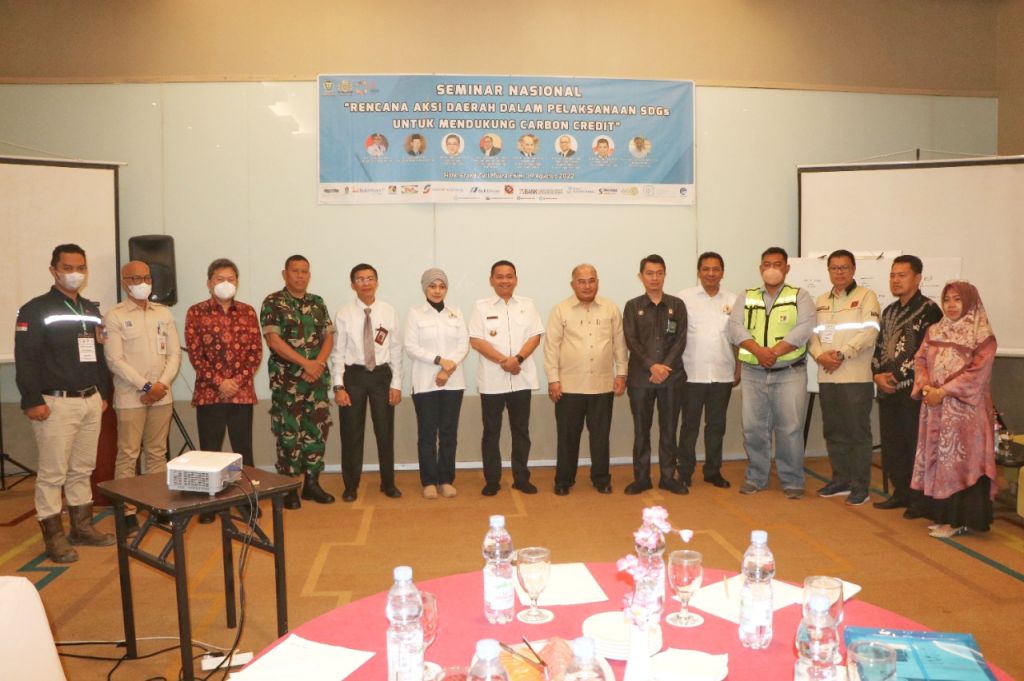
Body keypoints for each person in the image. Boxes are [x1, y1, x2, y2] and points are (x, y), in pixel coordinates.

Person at [15, 243, 114, 563]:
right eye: (68, 268)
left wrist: (102, 393)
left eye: (80, 268)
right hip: (54, 404)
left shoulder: (90, 310)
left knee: (82, 468)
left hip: (90, 400)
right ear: (53, 270)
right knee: (52, 473)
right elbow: (26, 359)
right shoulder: (35, 309)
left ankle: (81, 527)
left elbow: (98, 354)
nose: (75, 274)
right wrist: (32, 400)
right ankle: (54, 536)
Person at [911, 281, 997, 538]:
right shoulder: (935, 330)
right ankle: (943, 516)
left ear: (969, 302)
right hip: (935, 408)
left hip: (966, 413)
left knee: (962, 463)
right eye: (947, 299)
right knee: (939, 460)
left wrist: (944, 391)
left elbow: (978, 373)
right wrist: (926, 386)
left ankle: (960, 520)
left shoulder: (982, 335)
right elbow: (920, 360)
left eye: (957, 299)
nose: (950, 305)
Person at [728, 246, 815, 498]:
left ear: (787, 268)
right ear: (760, 268)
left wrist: (774, 352)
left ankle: (792, 479)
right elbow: (735, 328)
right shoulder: (747, 296)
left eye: (777, 264)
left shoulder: (800, 296)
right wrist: (759, 352)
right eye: (767, 264)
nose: (772, 269)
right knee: (753, 428)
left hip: (790, 373)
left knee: (790, 429)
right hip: (753, 373)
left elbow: (804, 328)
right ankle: (756, 476)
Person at [104, 260, 181, 536]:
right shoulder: (114, 315)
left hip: (162, 395)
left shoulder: (163, 313)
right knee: (128, 454)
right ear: (124, 283)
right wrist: (146, 387)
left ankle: (157, 506)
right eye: (135, 278)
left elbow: (174, 354)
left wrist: (160, 385)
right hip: (130, 397)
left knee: (157, 454)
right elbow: (114, 360)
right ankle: (126, 512)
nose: (142, 282)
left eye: (146, 277)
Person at [185, 258, 263, 522]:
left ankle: (247, 502)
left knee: (243, 451)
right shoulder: (196, 312)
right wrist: (219, 382)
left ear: (237, 282)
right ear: (209, 283)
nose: (225, 283)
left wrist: (235, 382)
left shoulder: (248, 312)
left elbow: (255, 352)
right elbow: (195, 354)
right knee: (209, 452)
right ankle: (210, 506)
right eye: (220, 279)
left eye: (231, 279)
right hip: (210, 394)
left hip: (242, 393)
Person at [544, 264, 627, 496]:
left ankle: (601, 478)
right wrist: (553, 379)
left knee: (600, 437)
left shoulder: (610, 308)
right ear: (573, 284)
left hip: (602, 385)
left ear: (597, 283)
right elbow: (551, 347)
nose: (587, 285)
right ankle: (564, 480)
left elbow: (619, 344)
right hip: (569, 386)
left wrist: (621, 373)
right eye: (581, 281)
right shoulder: (561, 310)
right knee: (567, 437)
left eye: (591, 280)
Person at [260, 255, 335, 508]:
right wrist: (306, 364)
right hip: (287, 381)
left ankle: (312, 484)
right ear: (285, 274)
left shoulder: (317, 302)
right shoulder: (273, 302)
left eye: (304, 271)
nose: (300, 275)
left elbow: (328, 337)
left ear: (309, 275)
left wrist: (318, 364)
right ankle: (289, 487)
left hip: (316, 380)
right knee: (288, 432)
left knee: (317, 430)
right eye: (295, 271)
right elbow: (274, 341)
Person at [809, 250, 881, 506]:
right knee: (834, 431)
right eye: (834, 268)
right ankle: (840, 480)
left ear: (853, 269)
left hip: (855, 377)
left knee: (857, 434)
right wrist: (820, 355)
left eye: (844, 267)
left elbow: (870, 331)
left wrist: (841, 353)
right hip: (827, 377)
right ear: (828, 270)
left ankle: (860, 487)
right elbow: (812, 335)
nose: (839, 272)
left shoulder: (866, 296)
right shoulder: (820, 300)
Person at [871, 255, 942, 515]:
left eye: (902, 275)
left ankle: (919, 500)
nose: (896, 280)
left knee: (915, 445)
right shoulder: (889, 311)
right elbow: (879, 347)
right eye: (892, 275)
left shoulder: (929, 310)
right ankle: (900, 493)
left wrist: (904, 378)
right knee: (893, 445)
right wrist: (877, 375)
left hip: (914, 391)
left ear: (918, 278)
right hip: (887, 391)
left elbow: (930, 353)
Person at [469, 260, 544, 496]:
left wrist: (517, 359)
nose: (505, 280)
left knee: (521, 431)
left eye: (509, 276)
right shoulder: (481, 307)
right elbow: (476, 340)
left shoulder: (527, 305)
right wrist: (504, 361)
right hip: (492, 380)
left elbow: (535, 337)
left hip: (521, 379)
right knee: (491, 432)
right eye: (499, 276)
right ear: (491, 280)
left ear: (516, 279)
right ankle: (492, 480)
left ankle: (521, 478)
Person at [331, 263, 403, 502]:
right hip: (354, 376)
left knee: (385, 431)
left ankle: (388, 483)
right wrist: (338, 386)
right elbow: (338, 352)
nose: (366, 283)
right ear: (353, 285)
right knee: (351, 433)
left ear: (377, 282)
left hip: (382, 376)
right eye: (360, 279)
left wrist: (396, 383)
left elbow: (396, 349)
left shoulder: (388, 311)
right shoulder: (344, 313)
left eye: (370, 278)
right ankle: (351, 485)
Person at [622, 254, 688, 495]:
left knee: (669, 430)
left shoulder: (677, 305)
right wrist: (652, 366)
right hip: (641, 379)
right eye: (649, 273)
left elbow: (680, 340)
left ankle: (668, 477)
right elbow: (631, 340)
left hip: (671, 378)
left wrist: (664, 367)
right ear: (641, 276)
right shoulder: (632, 306)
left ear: (665, 275)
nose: (654, 278)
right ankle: (641, 478)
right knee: (642, 430)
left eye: (659, 273)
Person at [404, 268, 469, 499]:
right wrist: (440, 361)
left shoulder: (456, 313)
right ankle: (429, 481)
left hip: (453, 383)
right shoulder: (415, 314)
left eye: (442, 286)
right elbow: (411, 347)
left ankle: (446, 479)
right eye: (432, 286)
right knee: (427, 434)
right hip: (425, 383)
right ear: (425, 288)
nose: (437, 291)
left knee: (449, 432)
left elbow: (463, 345)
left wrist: (447, 369)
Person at [677, 252, 738, 489]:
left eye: (716, 269)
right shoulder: (684, 298)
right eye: (706, 269)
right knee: (689, 426)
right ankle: (685, 471)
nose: (711, 273)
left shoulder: (734, 300)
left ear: (722, 272)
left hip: (723, 374)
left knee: (716, 426)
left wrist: (739, 367)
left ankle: (713, 471)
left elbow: (738, 339)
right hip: (691, 373)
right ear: (699, 272)